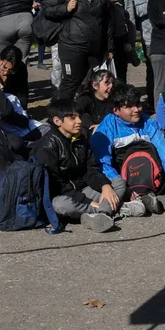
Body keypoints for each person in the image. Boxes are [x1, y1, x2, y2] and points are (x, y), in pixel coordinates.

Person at [34, 99, 145, 233]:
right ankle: (116, 209)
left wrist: (105, 186)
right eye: (72, 118)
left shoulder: (81, 138)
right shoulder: (47, 147)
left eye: (79, 116)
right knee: (60, 205)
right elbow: (56, 185)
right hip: (65, 195)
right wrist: (87, 201)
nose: (79, 121)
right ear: (57, 121)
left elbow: (91, 169)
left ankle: (102, 215)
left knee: (118, 183)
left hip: (85, 188)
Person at [91, 83, 165, 214]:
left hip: (154, 175)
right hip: (127, 180)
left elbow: (164, 151)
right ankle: (146, 199)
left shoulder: (149, 123)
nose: (136, 109)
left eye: (138, 104)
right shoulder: (105, 129)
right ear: (116, 110)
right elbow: (103, 163)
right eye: (129, 107)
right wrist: (124, 188)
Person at [42, 0, 113, 101]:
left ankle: (82, 114)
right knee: (70, 83)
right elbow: (46, 9)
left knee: (89, 83)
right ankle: (59, 116)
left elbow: (107, 21)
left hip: (94, 48)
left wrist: (109, 46)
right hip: (71, 47)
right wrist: (65, 8)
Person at [95, 0, 137, 83]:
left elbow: (130, 12)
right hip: (100, 37)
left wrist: (131, 39)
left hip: (119, 36)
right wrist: (105, 2)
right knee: (101, 75)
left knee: (120, 74)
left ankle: (120, 100)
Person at [127, 0, 163, 101]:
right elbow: (139, 11)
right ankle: (151, 98)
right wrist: (154, 0)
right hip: (150, 34)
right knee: (153, 69)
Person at [0, 45, 30, 110]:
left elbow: (22, 93)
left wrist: (21, 111)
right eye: (4, 67)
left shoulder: (21, 69)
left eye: (11, 70)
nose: (5, 73)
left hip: (11, 104)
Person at [75, 69, 115, 135]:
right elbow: (75, 114)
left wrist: (102, 126)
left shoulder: (114, 99)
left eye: (112, 83)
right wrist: (91, 126)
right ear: (95, 85)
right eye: (107, 83)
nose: (111, 86)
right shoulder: (86, 99)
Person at [28, 0, 52, 69]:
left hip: (41, 12)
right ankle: (26, 58)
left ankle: (40, 62)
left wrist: (40, 5)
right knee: (28, 36)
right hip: (29, 12)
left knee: (41, 37)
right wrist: (31, 4)